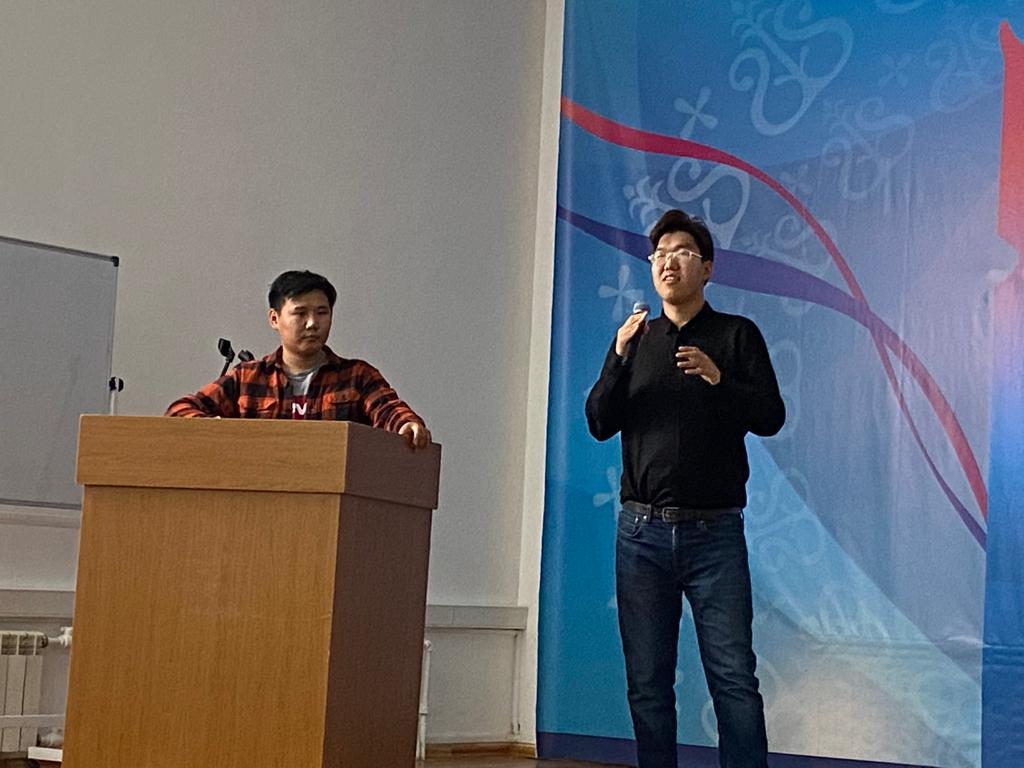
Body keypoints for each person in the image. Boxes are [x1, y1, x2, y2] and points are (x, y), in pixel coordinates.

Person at [585, 209, 785, 768]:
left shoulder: (736, 335)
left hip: (714, 534)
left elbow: (770, 416)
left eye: (681, 253)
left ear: (708, 268)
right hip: (641, 536)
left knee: (734, 678)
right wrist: (618, 357)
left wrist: (719, 380)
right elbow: (598, 421)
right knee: (647, 684)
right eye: (659, 255)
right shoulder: (635, 340)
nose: (667, 262)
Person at [166, 269, 431, 449]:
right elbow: (180, 410)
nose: (312, 323)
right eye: (300, 313)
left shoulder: (357, 376)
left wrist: (407, 424)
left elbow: (388, 410)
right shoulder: (247, 377)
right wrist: (211, 429)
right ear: (274, 319)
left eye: (322, 313)